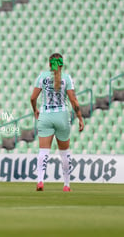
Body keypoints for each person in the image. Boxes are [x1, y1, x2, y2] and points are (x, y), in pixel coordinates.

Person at [30, 53, 84, 192]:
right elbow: (73, 100)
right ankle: (66, 185)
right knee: (64, 152)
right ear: (61, 64)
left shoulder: (42, 77)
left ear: (49, 64)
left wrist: (35, 110)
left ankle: (40, 181)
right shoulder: (66, 78)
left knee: (43, 151)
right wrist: (80, 118)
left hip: (45, 115)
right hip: (62, 116)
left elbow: (32, 97)